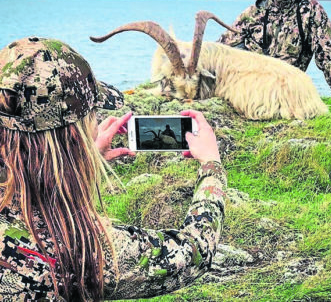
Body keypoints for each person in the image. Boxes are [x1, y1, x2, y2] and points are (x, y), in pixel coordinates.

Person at [0, 37, 227, 301]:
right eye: (91, 116)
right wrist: (211, 164)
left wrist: (82, 161)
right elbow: (194, 252)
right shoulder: (82, 247)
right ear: (75, 134)